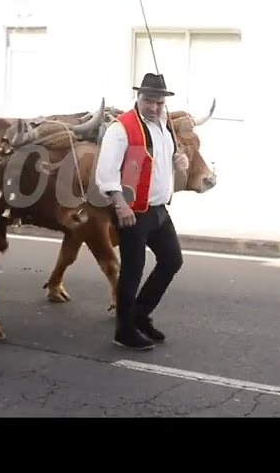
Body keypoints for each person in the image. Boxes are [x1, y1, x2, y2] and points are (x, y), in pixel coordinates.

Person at [94, 72, 189, 351]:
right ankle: (124, 331)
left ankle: (139, 314)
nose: (155, 107)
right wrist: (120, 204)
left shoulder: (164, 125)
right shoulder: (121, 128)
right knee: (132, 270)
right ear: (139, 97)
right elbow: (106, 172)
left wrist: (179, 160)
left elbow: (160, 159)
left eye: (160, 102)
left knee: (172, 260)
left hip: (158, 209)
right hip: (132, 210)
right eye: (149, 101)